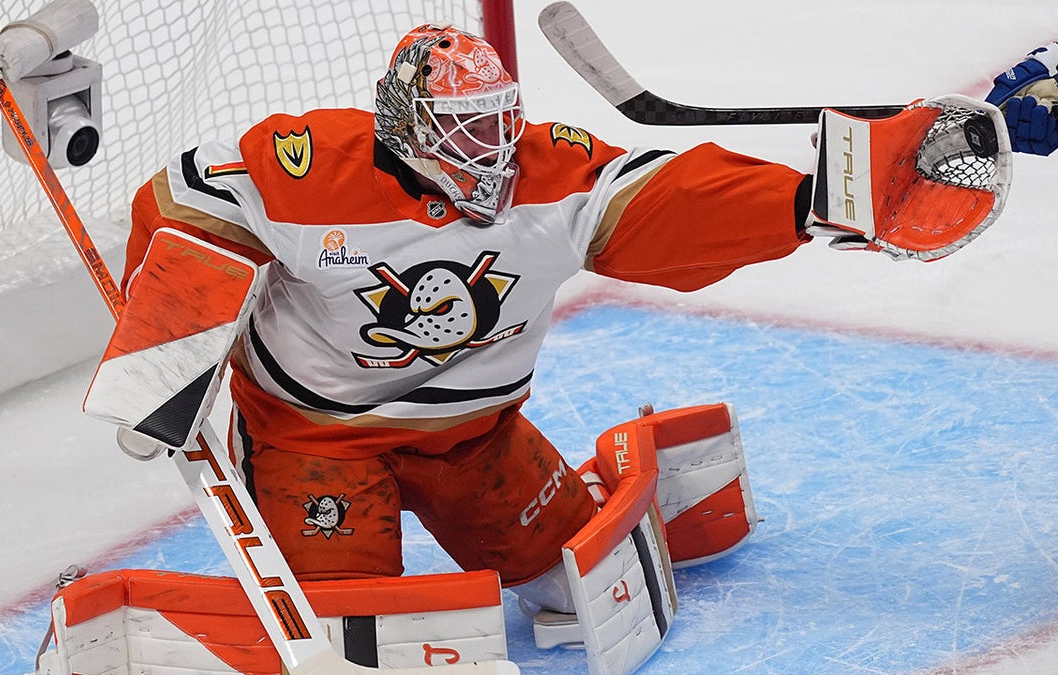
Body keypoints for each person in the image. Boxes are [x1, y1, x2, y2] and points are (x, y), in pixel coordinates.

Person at [121, 22, 1021, 664]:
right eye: (464, 130)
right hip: (318, 443)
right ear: (408, 127)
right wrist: (164, 346)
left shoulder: (547, 174)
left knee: (570, 584)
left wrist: (809, 200)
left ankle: (603, 476)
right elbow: (182, 201)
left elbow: (664, 200)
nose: (492, 150)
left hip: (476, 438)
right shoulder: (311, 168)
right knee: (357, 631)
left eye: (498, 122)